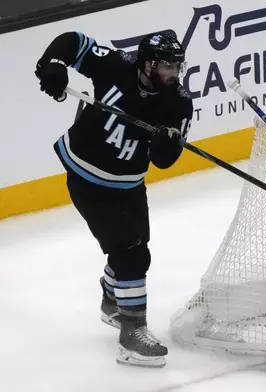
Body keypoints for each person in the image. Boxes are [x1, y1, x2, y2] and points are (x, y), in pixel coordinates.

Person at [35, 31, 194, 368]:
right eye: (167, 66)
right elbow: (71, 40)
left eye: (177, 67)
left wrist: (169, 143)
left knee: (139, 251)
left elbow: (163, 161)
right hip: (87, 177)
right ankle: (132, 334)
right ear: (148, 64)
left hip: (129, 183)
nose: (174, 74)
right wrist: (52, 65)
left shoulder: (177, 102)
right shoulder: (116, 64)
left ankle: (112, 301)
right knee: (131, 252)